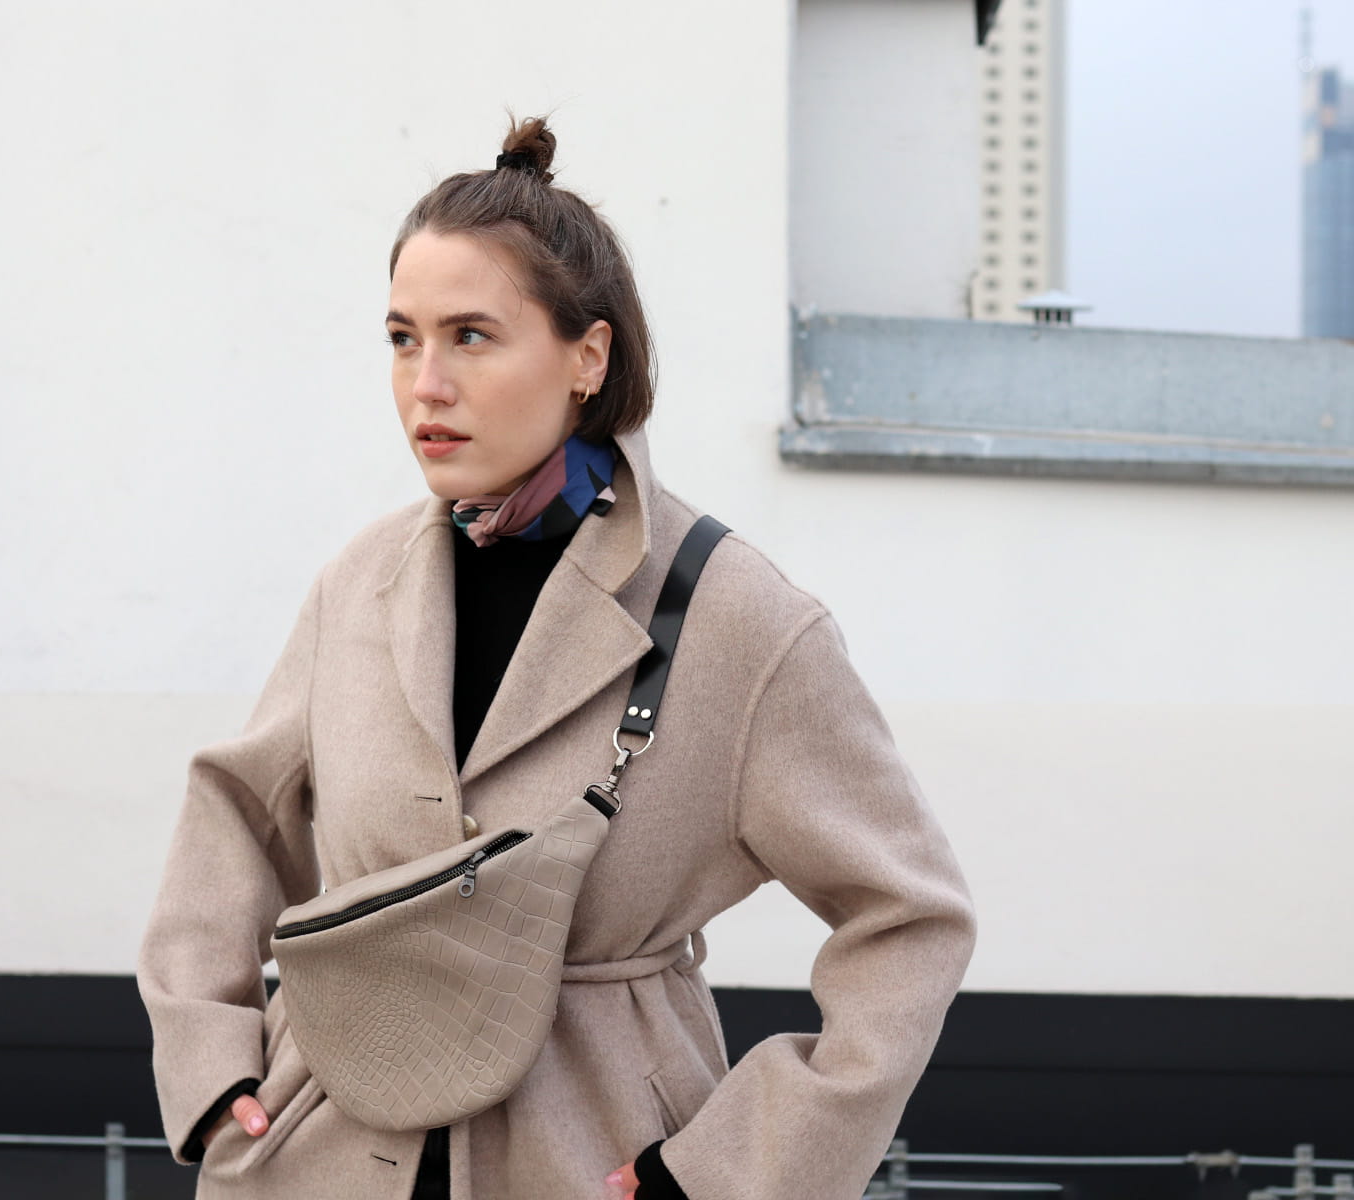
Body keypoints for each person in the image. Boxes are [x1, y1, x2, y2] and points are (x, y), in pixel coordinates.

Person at [136, 113, 978, 1200]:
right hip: (316, 1151)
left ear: (589, 356)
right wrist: (210, 1064)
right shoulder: (364, 580)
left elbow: (911, 918)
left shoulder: (740, 618)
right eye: (402, 338)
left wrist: (736, 1168)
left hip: (592, 1158)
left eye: (471, 336)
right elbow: (235, 808)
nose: (426, 384)